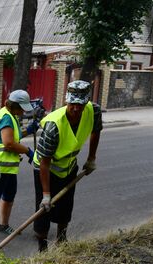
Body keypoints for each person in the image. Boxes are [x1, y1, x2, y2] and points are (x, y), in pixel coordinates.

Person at [33, 80, 102, 251]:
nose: (76, 108)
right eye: (73, 103)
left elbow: (96, 131)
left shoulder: (94, 111)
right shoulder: (53, 126)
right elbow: (44, 163)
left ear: (86, 102)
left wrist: (91, 157)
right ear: (67, 101)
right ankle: (42, 248)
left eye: (80, 103)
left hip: (70, 167)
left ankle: (62, 242)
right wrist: (47, 194)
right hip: (46, 170)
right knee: (44, 210)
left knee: (66, 206)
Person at [0, 89, 38, 239]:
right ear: (14, 105)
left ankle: (4, 225)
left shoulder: (11, 115)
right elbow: (9, 143)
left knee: (9, 196)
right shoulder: (6, 118)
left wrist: (28, 131)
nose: (23, 111)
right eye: (21, 108)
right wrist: (28, 151)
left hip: (8, 168)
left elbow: (13, 136)